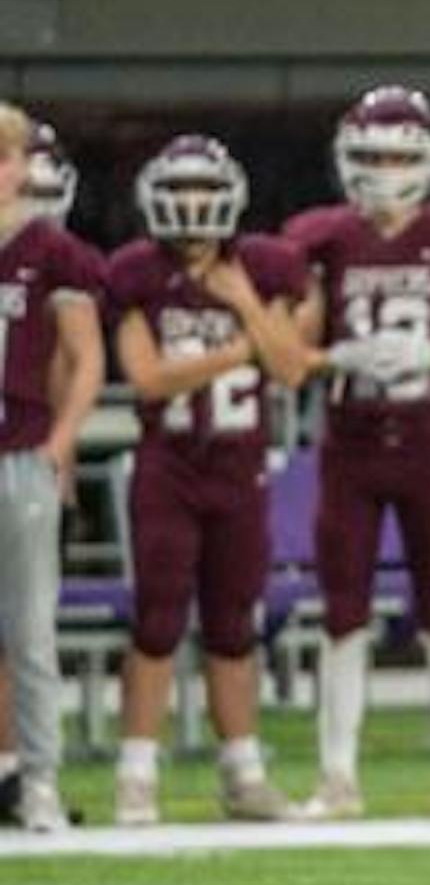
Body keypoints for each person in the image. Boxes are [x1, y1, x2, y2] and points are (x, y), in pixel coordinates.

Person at [286, 86, 430, 818]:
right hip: (349, 447)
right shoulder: (326, 243)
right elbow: (294, 355)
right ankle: (338, 777)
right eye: (372, 155)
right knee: (343, 614)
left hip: (425, 441)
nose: (384, 169)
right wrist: (339, 354)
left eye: (398, 155)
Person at [106, 137, 316, 824]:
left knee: (234, 626)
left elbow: (290, 368)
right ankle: (136, 773)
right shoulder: (137, 272)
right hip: (168, 465)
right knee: (158, 619)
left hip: (238, 466)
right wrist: (237, 348)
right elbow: (147, 376)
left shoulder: (261, 269)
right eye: (182, 193)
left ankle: (243, 773)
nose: (194, 208)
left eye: (206, 192)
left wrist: (247, 305)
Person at [0, 102, 104, 833]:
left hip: (19, 452)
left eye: (3, 156)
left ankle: (40, 779)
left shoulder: (51, 251)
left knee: (30, 630)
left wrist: (61, 442)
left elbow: (86, 355)